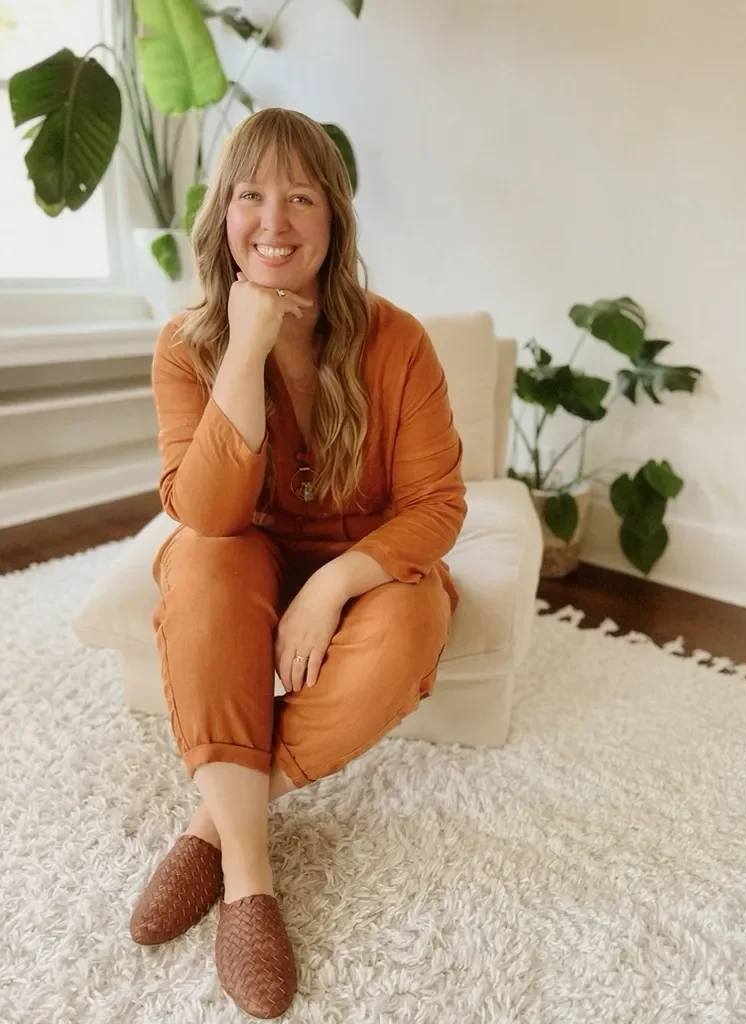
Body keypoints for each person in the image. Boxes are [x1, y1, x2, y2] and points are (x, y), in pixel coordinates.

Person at [129, 107, 467, 1020]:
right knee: (200, 562)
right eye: (251, 196)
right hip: (241, 552)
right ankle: (250, 878)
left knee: (416, 615)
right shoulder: (184, 344)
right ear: (223, 214)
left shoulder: (398, 342)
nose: (273, 221)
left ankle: (215, 821)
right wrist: (242, 347)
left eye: (300, 197)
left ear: (334, 221)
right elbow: (205, 512)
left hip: (358, 567)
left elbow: (438, 505)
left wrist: (334, 582)